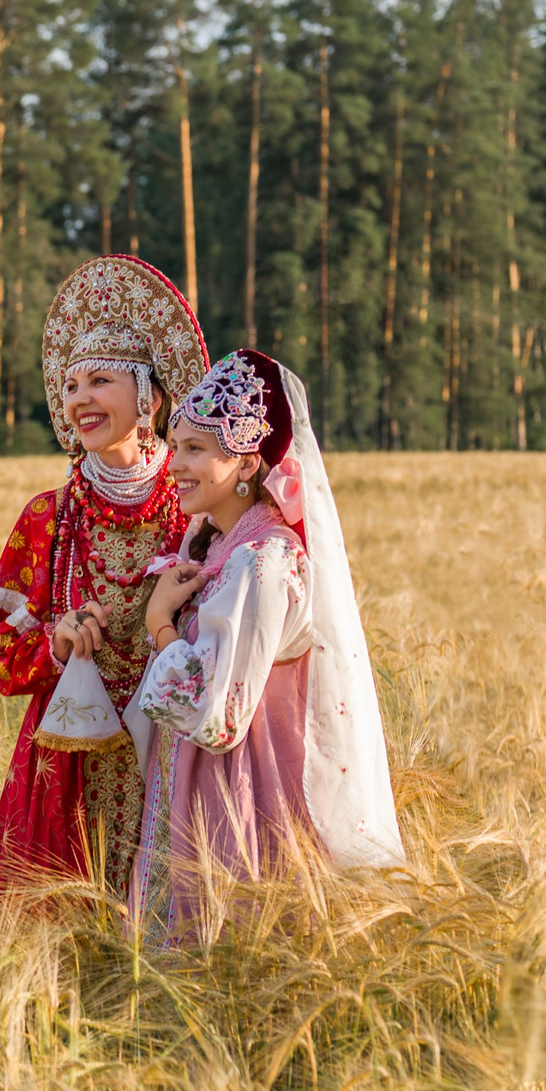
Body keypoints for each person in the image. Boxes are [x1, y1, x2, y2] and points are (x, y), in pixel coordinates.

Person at [128, 349, 406, 942]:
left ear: (248, 462)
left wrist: (160, 624)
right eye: (175, 446)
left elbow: (219, 716)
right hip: (202, 786)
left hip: (240, 797)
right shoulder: (220, 549)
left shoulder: (263, 562)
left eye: (195, 449)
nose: (176, 465)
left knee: (230, 953)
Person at [0, 256, 211, 904]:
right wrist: (56, 640)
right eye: (71, 384)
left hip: (177, 752)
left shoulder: (198, 507)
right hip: (70, 759)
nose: (79, 398)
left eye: (100, 379)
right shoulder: (47, 517)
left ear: (150, 399)